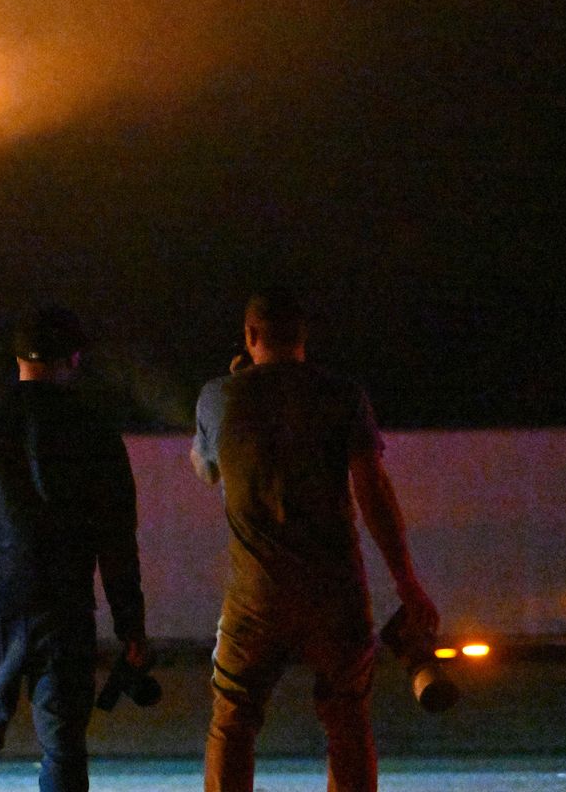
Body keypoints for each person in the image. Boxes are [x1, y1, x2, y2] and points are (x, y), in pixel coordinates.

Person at [190, 288, 441, 792]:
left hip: (255, 596)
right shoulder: (342, 394)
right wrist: (407, 582)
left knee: (234, 720)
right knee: (347, 722)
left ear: (250, 336)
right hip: (335, 592)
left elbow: (206, 471)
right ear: (303, 339)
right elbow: (374, 493)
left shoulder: (219, 396)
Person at [0, 307, 150, 792]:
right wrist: (131, 627)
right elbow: (117, 537)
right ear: (74, 359)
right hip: (62, 605)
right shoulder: (95, 428)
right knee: (63, 744)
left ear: (17, 357)